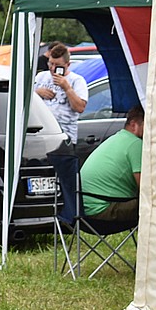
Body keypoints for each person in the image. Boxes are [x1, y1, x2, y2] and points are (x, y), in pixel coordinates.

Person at [34, 42, 89, 224]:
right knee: (41, 178)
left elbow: (80, 107)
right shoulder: (41, 77)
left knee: (67, 181)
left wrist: (66, 87)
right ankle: (43, 214)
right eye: (50, 63)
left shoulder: (76, 81)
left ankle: (71, 217)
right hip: (40, 137)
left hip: (64, 139)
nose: (52, 69)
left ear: (67, 65)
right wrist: (37, 92)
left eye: (57, 66)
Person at [80, 105, 145, 223]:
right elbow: (146, 189)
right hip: (104, 210)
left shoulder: (116, 138)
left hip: (84, 211)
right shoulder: (136, 144)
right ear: (134, 125)